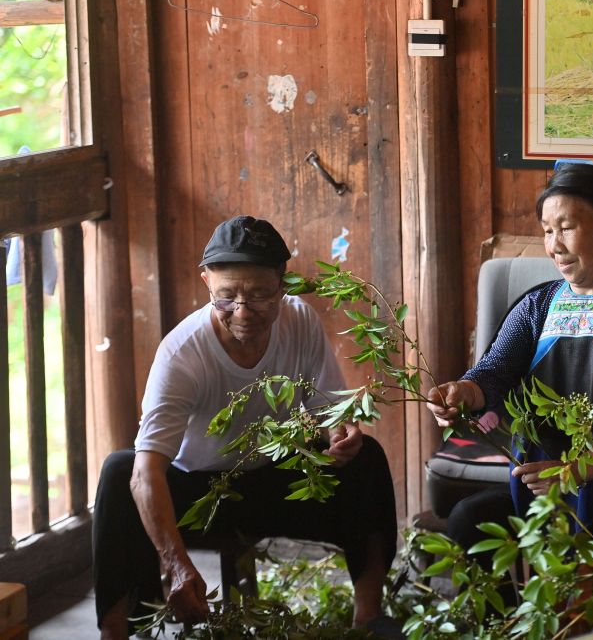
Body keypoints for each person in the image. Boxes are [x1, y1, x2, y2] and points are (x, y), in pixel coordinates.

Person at [92, 216, 397, 639]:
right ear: (206, 283)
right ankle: (116, 632)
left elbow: (328, 410)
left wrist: (340, 433)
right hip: (198, 493)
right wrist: (176, 564)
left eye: (258, 296)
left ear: (282, 285)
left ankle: (369, 619)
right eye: (226, 297)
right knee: (119, 473)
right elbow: (147, 473)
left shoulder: (301, 322)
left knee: (368, 459)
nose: (242, 311)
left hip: (274, 480)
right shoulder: (182, 353)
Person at [427, 160, 593, 612]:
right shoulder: (537, 306)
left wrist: (580, 468)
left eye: (566, 227)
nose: (554, 245)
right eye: (547, 231)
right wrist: (464, 392)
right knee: (468, 520)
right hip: (545, 491)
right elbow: (495, 371)